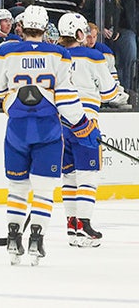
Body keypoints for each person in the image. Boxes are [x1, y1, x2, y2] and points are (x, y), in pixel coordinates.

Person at [0, 5, 99, 266]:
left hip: (16, 130)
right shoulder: (59, 54)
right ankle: (37, 238)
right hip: (48, 130)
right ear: (45, 27)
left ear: (21, 26)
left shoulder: (5, 50)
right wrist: (83, 125)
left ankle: (14, 235)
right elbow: (67, 98)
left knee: (17, 188)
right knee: (44, 191)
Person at [56, 13, 121, 247]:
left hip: (60, 124)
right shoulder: (94, 56)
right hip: (86, 123)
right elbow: (110, 93)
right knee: (88, 175)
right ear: (79, 33)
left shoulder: (56, 56)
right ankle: (85, 224)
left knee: (69, 175)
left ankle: (73, 227)